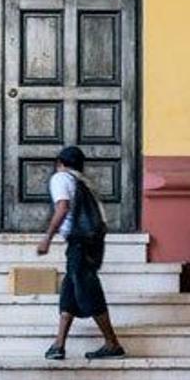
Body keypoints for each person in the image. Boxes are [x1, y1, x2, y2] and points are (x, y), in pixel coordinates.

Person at [37, 145, 126, 361]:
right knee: (70, 289)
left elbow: (63, 207)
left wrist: (47, 237)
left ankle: (112, 342)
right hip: (91, 242)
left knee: (87, 289)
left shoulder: (61, 178)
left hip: (79, 243)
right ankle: (59, 344)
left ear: (60, 163)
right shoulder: (85, 182)